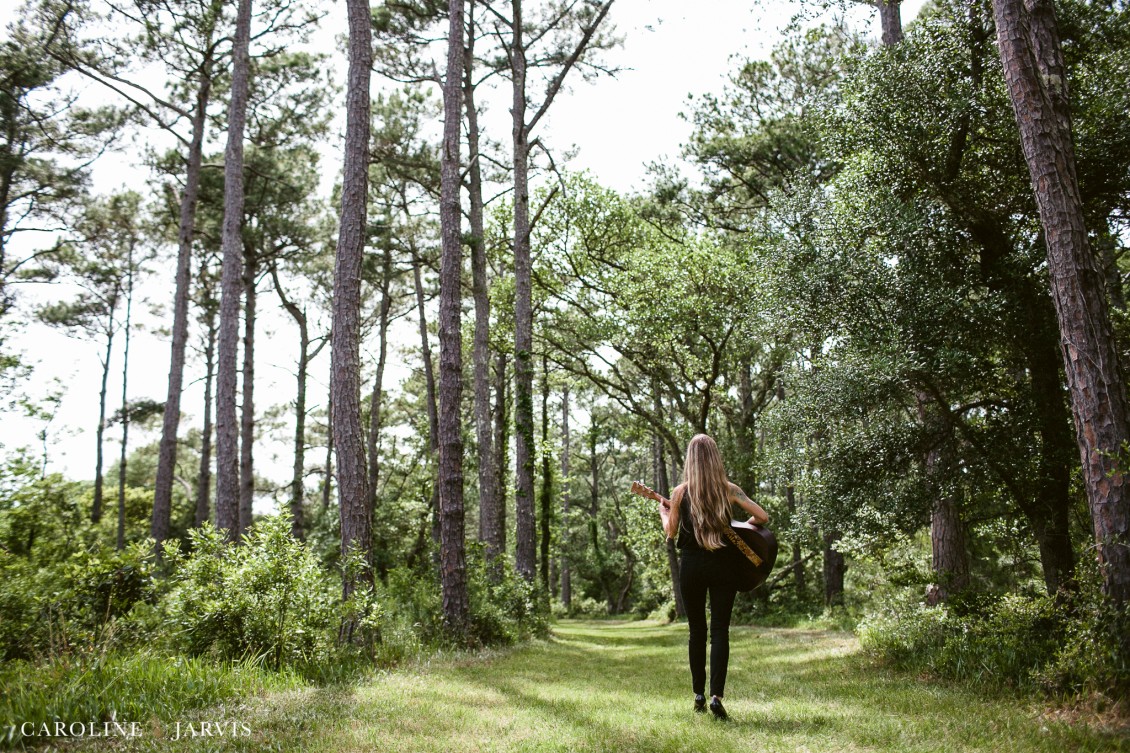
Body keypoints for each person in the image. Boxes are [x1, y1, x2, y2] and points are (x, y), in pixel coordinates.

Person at [659, 433, 769, 721]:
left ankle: (698, 694)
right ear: (715, 458)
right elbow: (762, 517)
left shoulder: (680, 492)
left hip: (692, 567)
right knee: (720, 631)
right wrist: (742, 526)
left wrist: (664, 513)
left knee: (697, 630)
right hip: (724, 565)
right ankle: (716, 697)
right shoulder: (729, 489)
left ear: (690, 460)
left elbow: (671, 532)